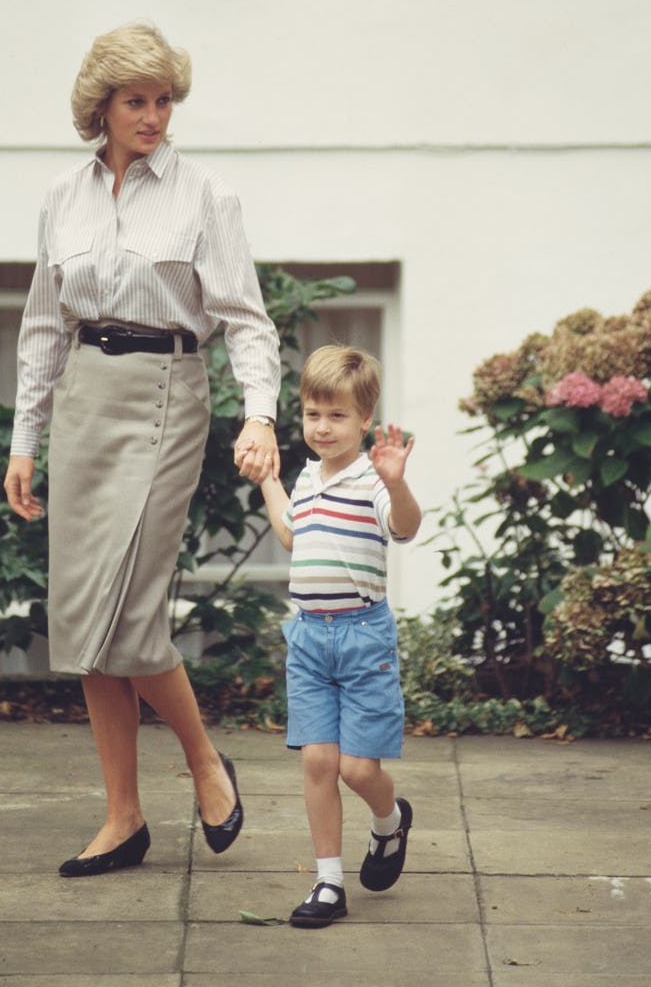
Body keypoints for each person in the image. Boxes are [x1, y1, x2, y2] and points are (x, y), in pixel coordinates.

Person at [3, 21, 281, 876]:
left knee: (127, 617)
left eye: (164, 100)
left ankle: (203, 760)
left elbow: (244, 319)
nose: (155, 116)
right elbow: (45, 325)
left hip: (167, 395)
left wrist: (260, 415)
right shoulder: (63, 196)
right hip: (86, 398)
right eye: (137, 101)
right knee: (84, 619)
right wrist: (26, 437)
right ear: (103, 107)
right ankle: (123, 817)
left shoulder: (205, 196)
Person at [254, 344, 421, 928]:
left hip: (361, 640)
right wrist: (271, 481)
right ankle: (329, 884)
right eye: (312, 415)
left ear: (365, 419)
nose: (322, 428)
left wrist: (396, 483)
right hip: (307, 639)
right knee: (319, 763)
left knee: (357, 770)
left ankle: (389, 820)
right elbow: (295, 536)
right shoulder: (307, 475)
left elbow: (403, 528)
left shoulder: (371, 479)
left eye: (337, 416)